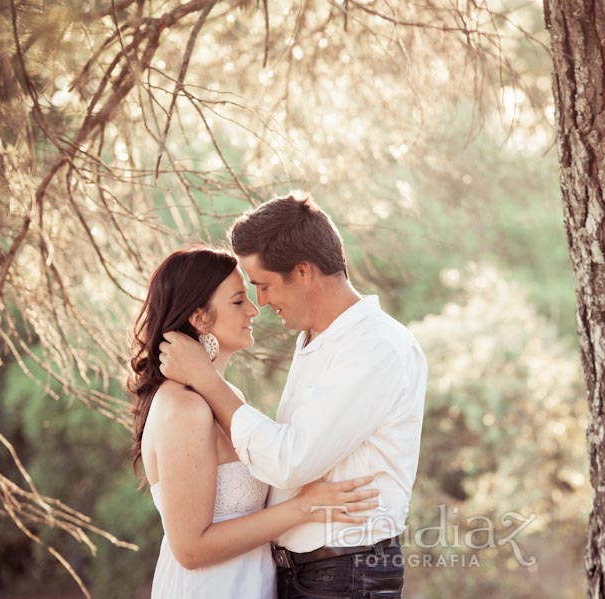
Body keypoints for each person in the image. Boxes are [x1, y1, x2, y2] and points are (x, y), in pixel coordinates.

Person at [159, 194, 428, 599]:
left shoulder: (375, 347)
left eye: (263, 286)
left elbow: (290, 462)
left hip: (345, 573)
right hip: (301, 573)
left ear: (302, 272)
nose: (261, 304)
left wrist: (207, 381)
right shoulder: (315, 339)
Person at [130, 246, 379, 599]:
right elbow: (190, 549)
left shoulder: (223, 395)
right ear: (200, 318)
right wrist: (304, 507)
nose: (254, 309)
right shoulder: (182, 406)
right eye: (237, 301)